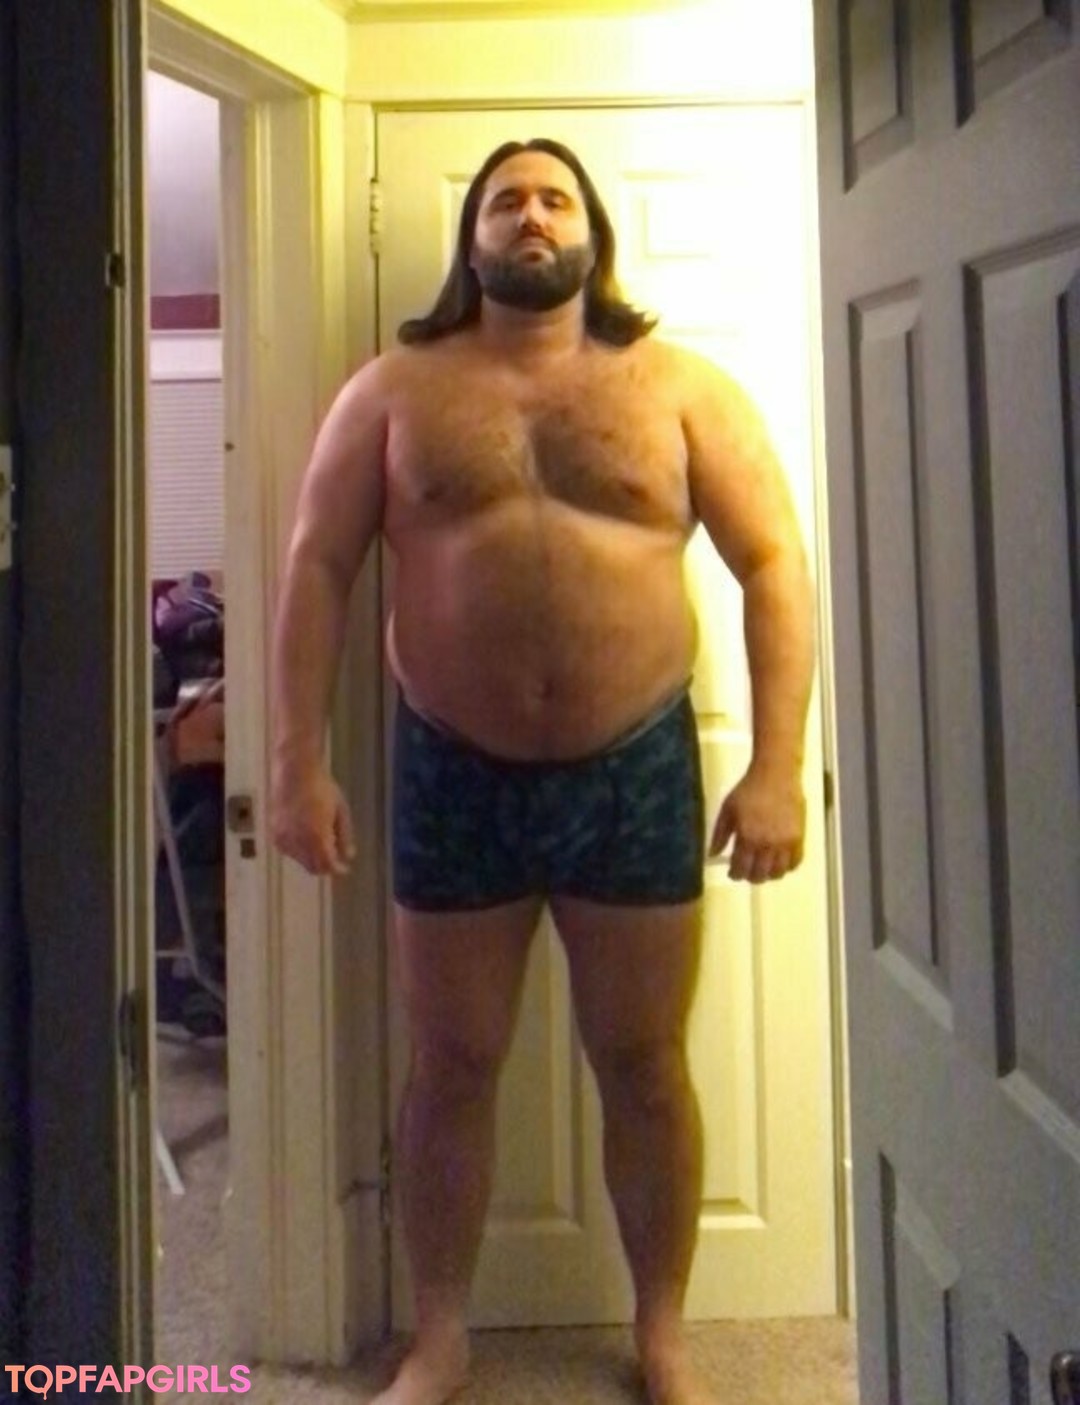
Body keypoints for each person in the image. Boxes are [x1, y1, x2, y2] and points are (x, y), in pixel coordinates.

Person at [270, 137, 816, 1405]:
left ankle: (663, 1332)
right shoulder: (393, 391)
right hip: (452, 772)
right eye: (505, 199)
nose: (531, 215)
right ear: (471, 239)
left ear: (592, 234)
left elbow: (775, 564)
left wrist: (780, 764)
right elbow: (316, 567)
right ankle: (440, 1337)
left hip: (635, 770)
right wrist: (297, 764)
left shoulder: (680, 387)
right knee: (450, 1064)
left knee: (645, 1064)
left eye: (554, 198)